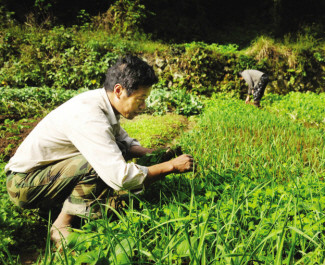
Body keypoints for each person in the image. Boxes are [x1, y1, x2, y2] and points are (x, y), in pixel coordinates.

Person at [4, 55, 194, 246]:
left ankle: (63, 206)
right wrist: (171, 167)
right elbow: (120, 177)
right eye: (141, 99)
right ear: (119, 90)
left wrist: (151, 153)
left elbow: (124, 142)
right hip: (23, 184)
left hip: (46, 175)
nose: (143, 106)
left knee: (116, 149)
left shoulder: (104, 102)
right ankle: (61, 226)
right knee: (96, 164)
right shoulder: (89, 115)